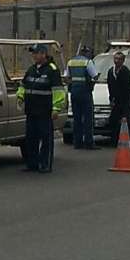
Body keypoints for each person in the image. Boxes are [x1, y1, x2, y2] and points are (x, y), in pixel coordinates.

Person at [16, 44, 65, 173]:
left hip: (45, 111)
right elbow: (23, 85)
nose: (34, 56)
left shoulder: (52, 70)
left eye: (36, 53)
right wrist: (20, 97)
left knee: (46, 139)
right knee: (31, 138)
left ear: (43, 54)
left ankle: (45, 164)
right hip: (31, 110)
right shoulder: (31, 69)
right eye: (33, 53)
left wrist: (56, 108)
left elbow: (58, 91)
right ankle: (32, 164)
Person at [65, 45, 99, 150]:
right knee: (88, 118)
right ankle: (89, 142)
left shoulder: (71, 62)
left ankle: (77, 142)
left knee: (77, 118)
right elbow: (95, 76)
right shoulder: (88, 62)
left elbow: (66, 77)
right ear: (87, 53)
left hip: (74, 92)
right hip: (85, 92)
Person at [106, 51, 130, 143]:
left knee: (124, 122)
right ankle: (114, 140)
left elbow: (129, 89)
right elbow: (110, 86)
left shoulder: (126, 72)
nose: (117, 61)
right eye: (115, 59)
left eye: (119, 59)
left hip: (126, 101)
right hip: (116, 102)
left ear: (123, 61)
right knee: (113, 121)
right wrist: (111, 99)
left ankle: (124, 141)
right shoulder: (111, 71)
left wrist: (129, 106)